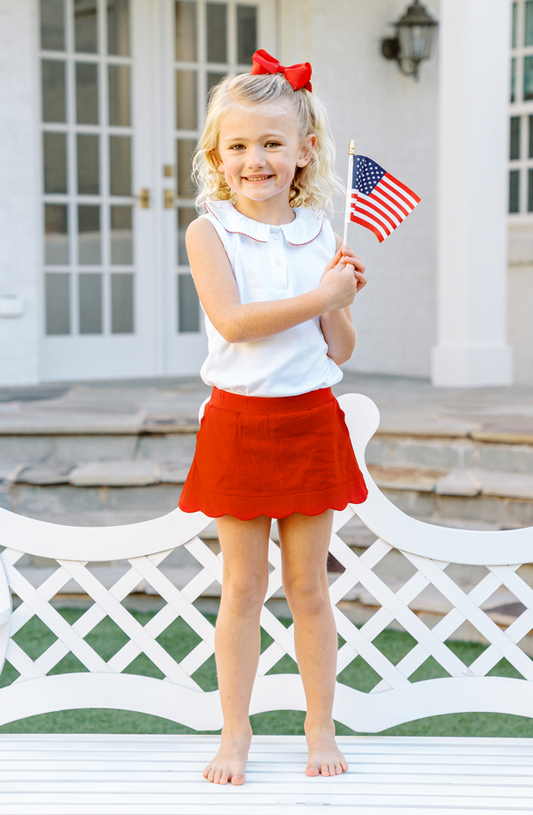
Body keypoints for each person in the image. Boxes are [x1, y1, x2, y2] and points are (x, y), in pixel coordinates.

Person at [179, 49, 368, 786]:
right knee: (241, 588)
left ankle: (319, 723)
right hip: (239, 424)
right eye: (238, 145)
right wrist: (319, 300)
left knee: (309, 585)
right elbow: (231, 321)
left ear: (303, 153)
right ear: (217, 158)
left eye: (271, 143)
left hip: (309, 419)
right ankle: (235, 732)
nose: (254, 158)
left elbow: (339, 348)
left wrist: (341, 297)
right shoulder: (210, 232)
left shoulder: (322, 231)